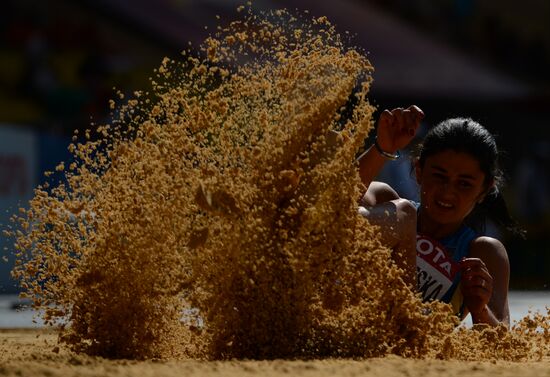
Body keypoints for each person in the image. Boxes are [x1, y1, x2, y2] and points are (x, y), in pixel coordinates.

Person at [356, 105, 516, 327]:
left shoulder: (484, 252)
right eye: (439, 176)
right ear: (419, 171)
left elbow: (501, 340)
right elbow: (333, 208)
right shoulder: (387, 204)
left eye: (464, 184)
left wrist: (480, 310)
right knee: (404, 214)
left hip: (408, 340)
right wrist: (382, 148)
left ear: (485, 191)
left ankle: (406, 319)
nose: (447, 192)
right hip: (352, 320)